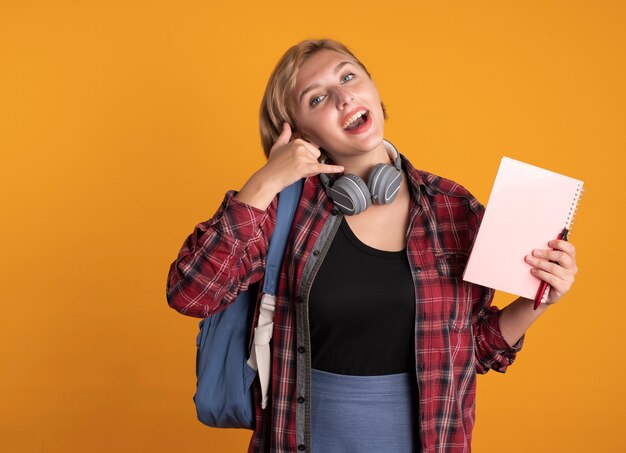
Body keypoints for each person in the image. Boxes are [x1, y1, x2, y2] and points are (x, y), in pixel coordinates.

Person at [166, 39, 578, 453]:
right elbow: (191, 294)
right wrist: (265, 181)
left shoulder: (454, 209)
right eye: (318, 98)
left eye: (349, 77)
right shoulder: (280, 208)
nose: (344, 97)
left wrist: (537, 299)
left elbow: (474, 349)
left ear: (374, 90)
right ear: (300, 134)